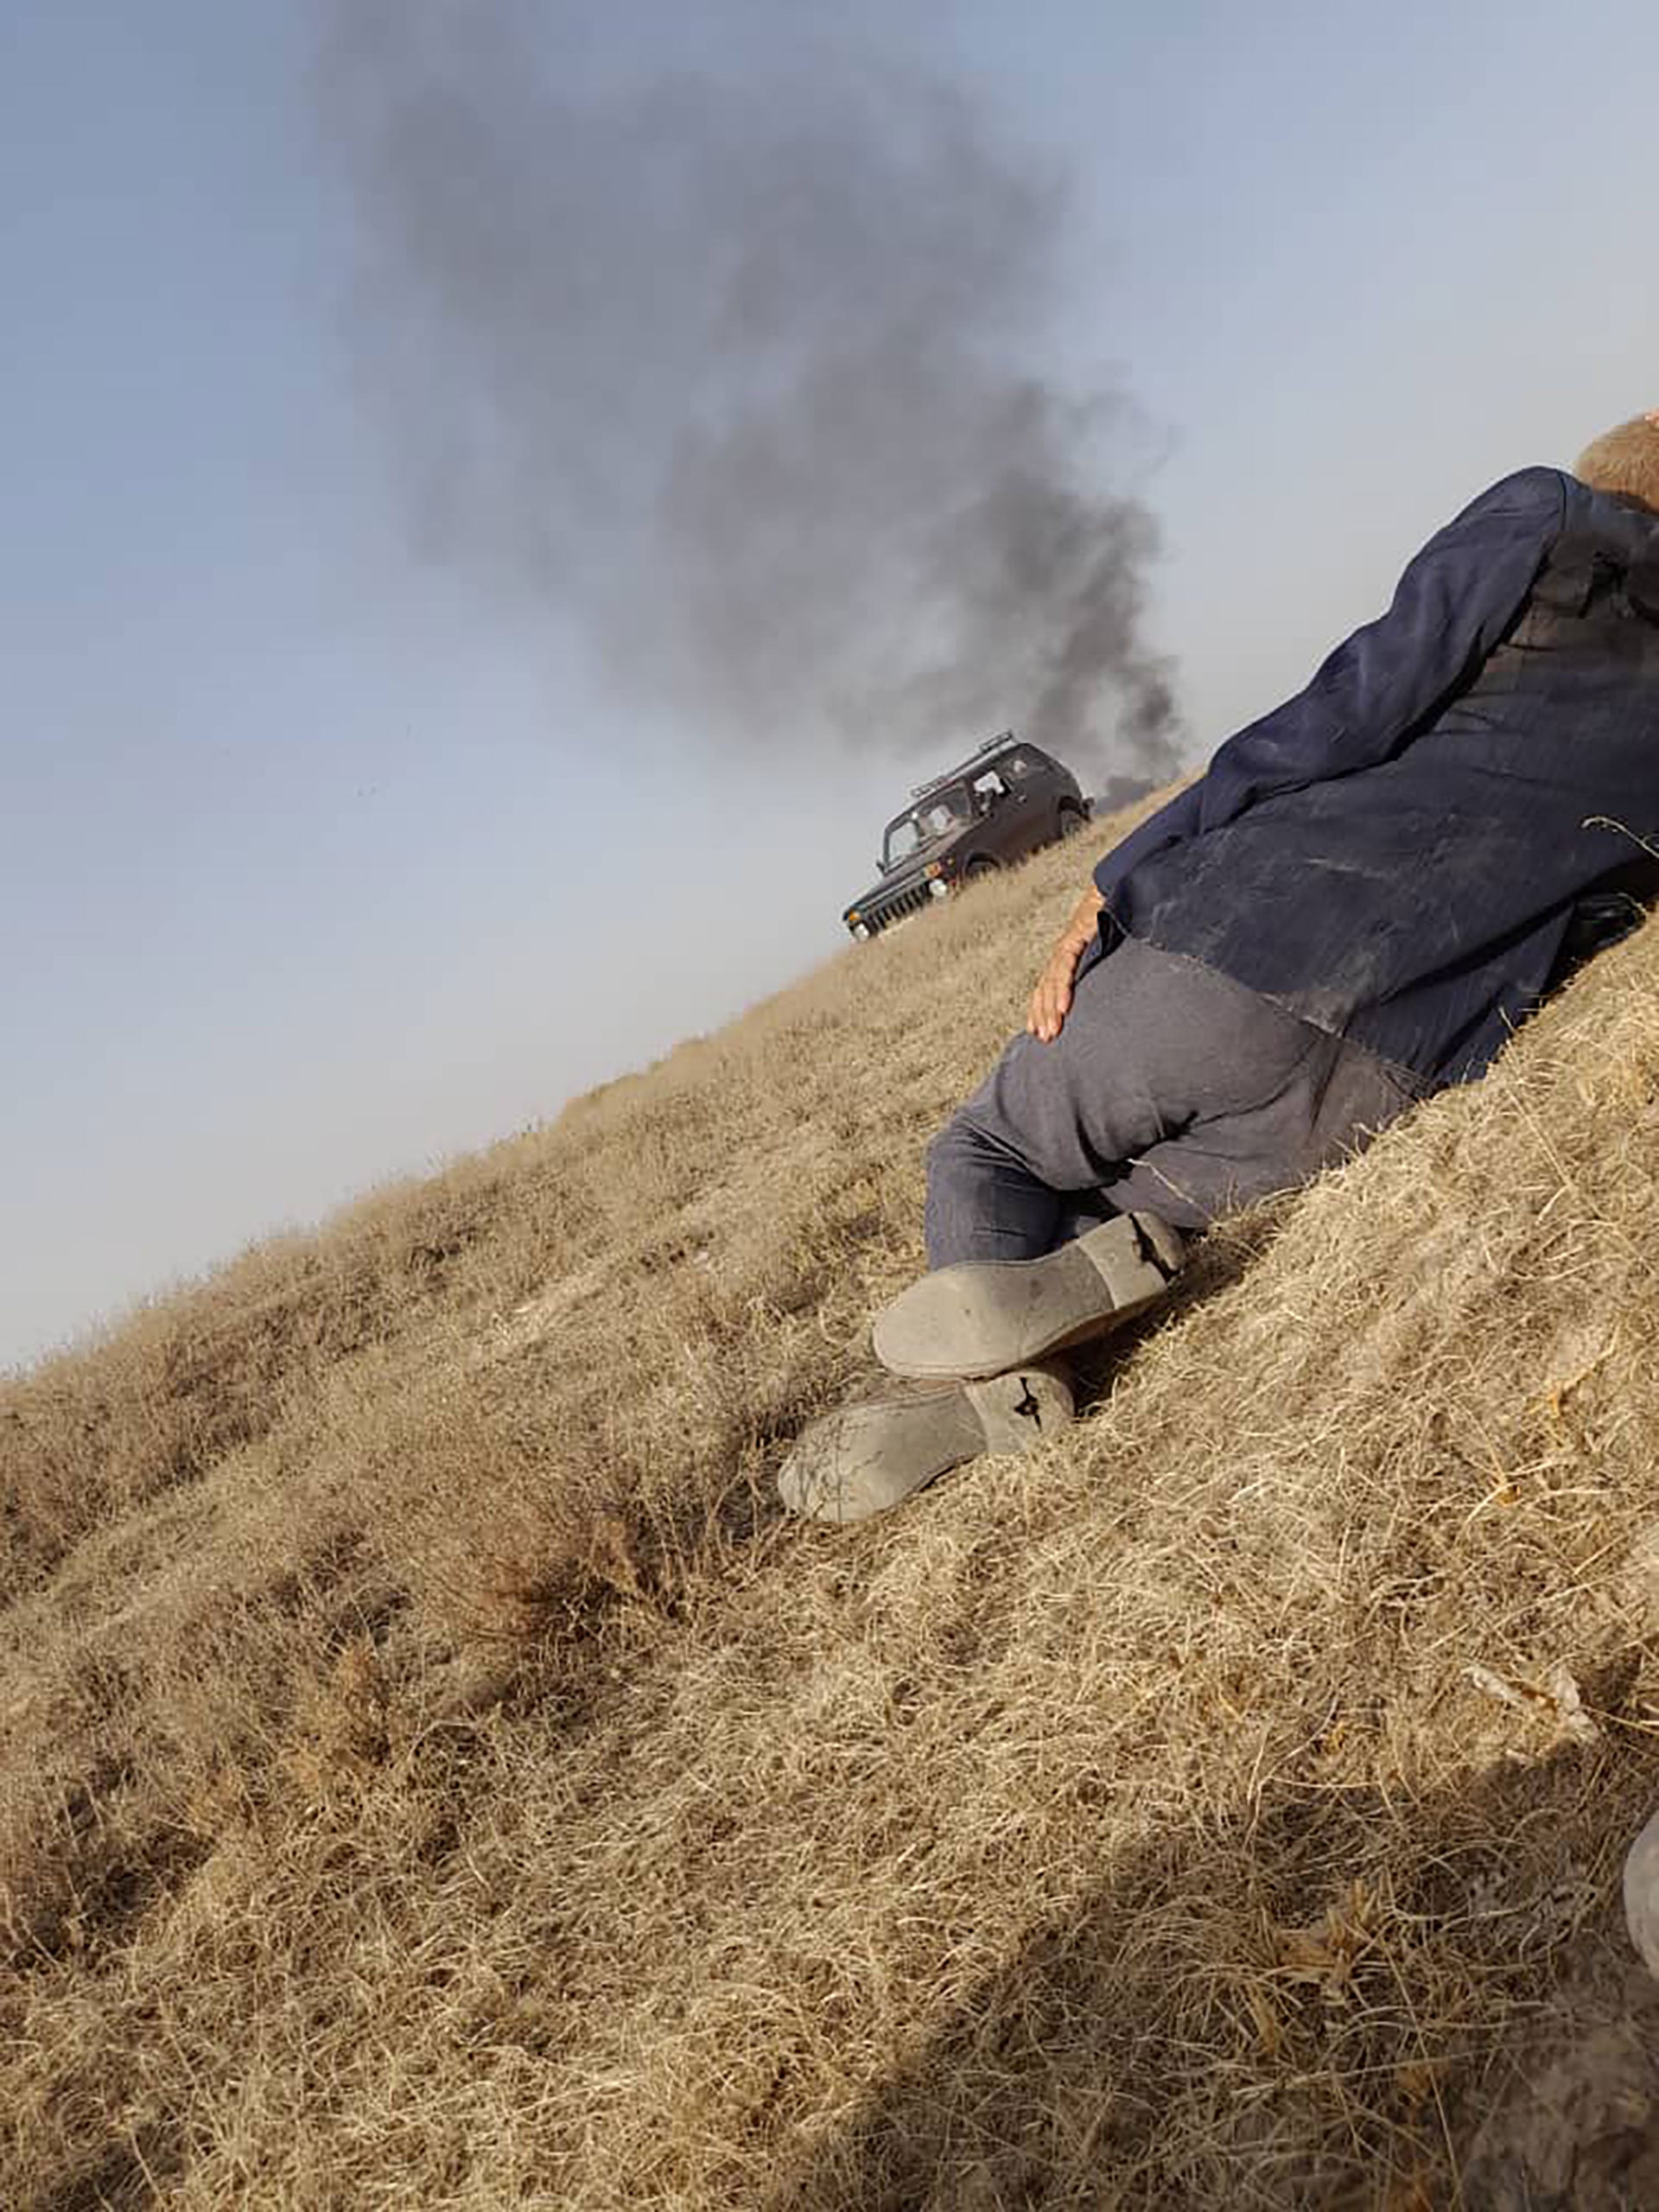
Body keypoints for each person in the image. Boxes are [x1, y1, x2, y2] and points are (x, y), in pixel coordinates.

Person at [779, 411, 1659, 1524]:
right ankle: (1050, 1321)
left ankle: (992, 1388)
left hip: (1253, 940)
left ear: (1618, 481)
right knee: (1122, 1217)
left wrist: (1121, 874)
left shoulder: (1550, 515)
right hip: (1392, 1070)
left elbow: (1347, 711)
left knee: (990, 1147)